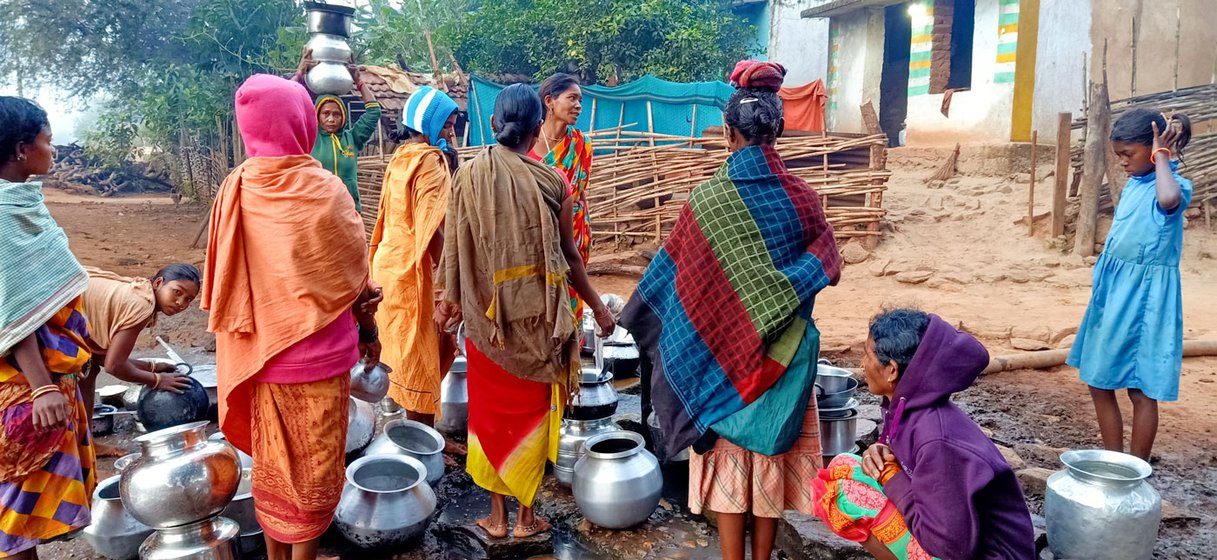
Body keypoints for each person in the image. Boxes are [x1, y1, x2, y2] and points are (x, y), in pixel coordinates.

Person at [620, 60, 841, 560]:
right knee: (768, 469)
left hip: (718, 362)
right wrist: (776, 302)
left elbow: (678, 282)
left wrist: (634, 315)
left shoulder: (707, 202)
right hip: (782, 363)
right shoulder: (804, 199)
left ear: (729, 133)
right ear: (778, 131)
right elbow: (825, 260)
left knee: (729, 472)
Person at [202, 74, 382, 560]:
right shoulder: (322, 190)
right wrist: (369, 331)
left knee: (277, 466)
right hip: (318, 361)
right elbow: (353, 278)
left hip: (260, 357)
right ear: (301, 120)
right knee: (316, 473)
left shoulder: (235, 188)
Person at [434, 84, 616, 539]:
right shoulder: (554, 181)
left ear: (495, 126)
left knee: (490, 418)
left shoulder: (468, 176)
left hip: (485, 325)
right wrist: (599, 309)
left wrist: (448, 302)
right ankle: (524, 518)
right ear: (537, 127)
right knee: (532, 418)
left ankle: (495, 517)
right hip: (539, 327)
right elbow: (571, 259)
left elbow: (454, 247)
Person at [812, 309, 1035, 560]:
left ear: (892, 371)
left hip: (981, 553)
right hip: (946, 522)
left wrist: (891, 477)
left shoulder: (937, 439)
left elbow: (950, 546)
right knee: (842, 465)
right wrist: (880, 450)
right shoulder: (907, 404)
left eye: (868, 354)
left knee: (846, 498)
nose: (863, 364)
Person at [1067, 109, 1193, 462]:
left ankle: (1135, 469)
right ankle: (1114, 462)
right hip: (1115, 293)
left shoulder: (1172, 186)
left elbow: (1168, 201)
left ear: (1154, 149)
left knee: (1139, 388)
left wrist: (1162, 155)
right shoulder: (1138, 184)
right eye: (1118, 155)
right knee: (1098, 379)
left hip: (1144, 300)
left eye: (1128, 154)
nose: (1122, 163)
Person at [0, 96, 95, 559]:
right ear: (21, 149)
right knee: (15, 515)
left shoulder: (21, 205)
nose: (52, 151)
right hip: (25, 388)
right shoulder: (3, 218)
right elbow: (13, 310)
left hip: (45, 381)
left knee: (22, 515)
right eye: (47, 141)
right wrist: (42, 388)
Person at [369, 86, 459, 426]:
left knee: (405, 353)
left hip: (390, 267)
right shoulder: (430, 161)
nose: (450, 133)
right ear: (429, 123)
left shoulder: (401, 158)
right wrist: (446, 287)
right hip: (415, 270)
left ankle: (414, 431)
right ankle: (425, 441)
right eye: (447, 125)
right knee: (423, 354)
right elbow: (431, 229)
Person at [78, 265, 200, 437]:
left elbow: (101, 358)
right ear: (159, 283)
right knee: (81, 371)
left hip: (70, 298)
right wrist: (157, 380)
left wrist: (155, 367)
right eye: (177, 292)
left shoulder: (143, 290)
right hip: (54, 310)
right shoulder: (142, 305)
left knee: (89, 369)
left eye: (188, 299)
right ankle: (75, 445)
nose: (181, 303)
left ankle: (85, 441)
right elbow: (114, 366)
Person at [530, 73, 593, 319]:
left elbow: (580, 192)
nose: (578, 105)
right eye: (572, 98)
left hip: (573, 233)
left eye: (580, 99)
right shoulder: (528, 141)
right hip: (536, 234)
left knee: (571, 295)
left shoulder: (581, 144)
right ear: (549, 101)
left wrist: (586, 230)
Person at [291, 49, 382, 212]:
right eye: (325, 114)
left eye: (337, 114)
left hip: (349, 212)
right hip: (316, 214)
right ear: (317, 116)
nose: (331, 119)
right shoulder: (308, 139)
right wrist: (299, 73)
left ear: (344, 116)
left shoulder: (352, 138)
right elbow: (285, 107)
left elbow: (374, 111)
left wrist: (358, 81)